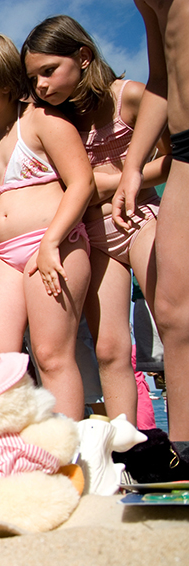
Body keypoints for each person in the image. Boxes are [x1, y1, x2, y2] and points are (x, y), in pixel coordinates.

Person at [22, 15, 169, 424]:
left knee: (172, 327)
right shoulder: (58, 120)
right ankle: (128, 450)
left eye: (49, 71)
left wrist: (119, 180)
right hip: (95, 237)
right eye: (34, 79)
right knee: (109, 349)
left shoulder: (131, 97)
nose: (41, 86)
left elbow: (176, 158)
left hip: (141, 220)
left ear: (83, 56)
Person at [0, 33, 96, 421]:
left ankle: (69, 455)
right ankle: (11, 452)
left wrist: (51, 242)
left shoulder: (43, 121)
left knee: (50, 354)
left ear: (2, 81)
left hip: (55, 245)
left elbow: (81, 183)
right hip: (5, 259)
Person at [112, 0, 189, 450]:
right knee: (175, 313)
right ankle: (183, 449)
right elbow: (161, 82)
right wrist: (134, 166)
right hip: (181, 152)